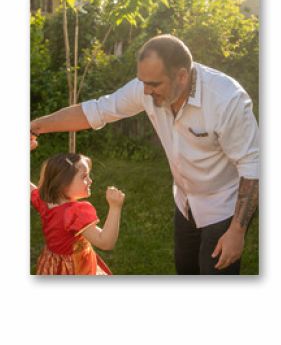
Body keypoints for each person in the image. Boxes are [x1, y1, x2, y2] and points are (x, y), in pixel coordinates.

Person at [31, 34, 259, 275]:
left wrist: (237, 231)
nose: (146, 92)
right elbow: (97, 110)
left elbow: (253, 166)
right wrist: (34, 126)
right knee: (186, 270)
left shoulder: (227, 100)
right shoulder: (147, 87)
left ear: (182, 76)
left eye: (154, 84)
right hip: (185, 202)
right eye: (143, 82)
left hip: (223, 206)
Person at [30, 135, 125, 275]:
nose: (90, 180)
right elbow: (106, 242)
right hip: (76, 269)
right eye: (84, 176)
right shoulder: (75, 213)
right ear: (63, 183)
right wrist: (115, 207)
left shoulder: (44, 200)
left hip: (52, 264)